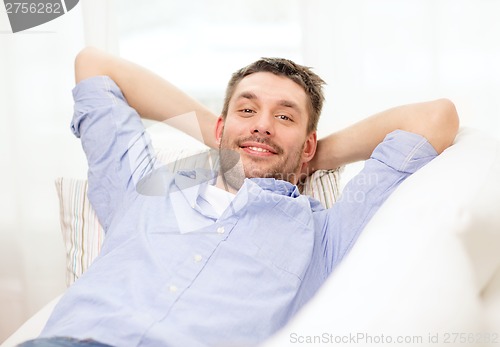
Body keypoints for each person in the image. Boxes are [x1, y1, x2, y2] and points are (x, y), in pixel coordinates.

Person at [20, 47, 459, 347]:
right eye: (247, 110)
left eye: (284, 116)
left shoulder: (322, 234)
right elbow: (94, 64)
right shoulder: (144, 187)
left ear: (308, 143)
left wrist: (309, 156)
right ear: (220, 126)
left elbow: (435, 118)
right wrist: (227, 136)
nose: (263, 125)